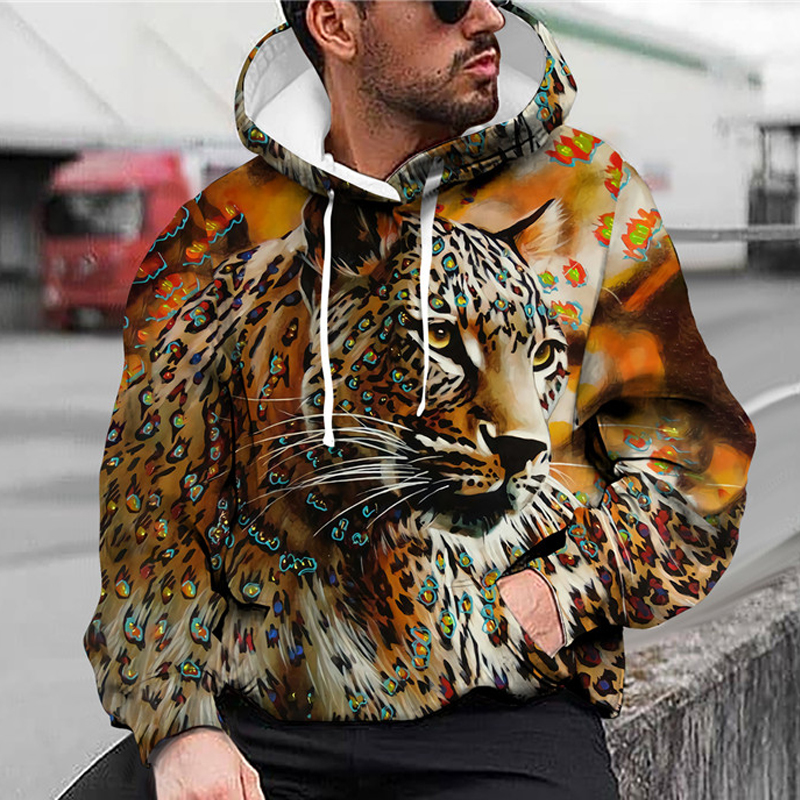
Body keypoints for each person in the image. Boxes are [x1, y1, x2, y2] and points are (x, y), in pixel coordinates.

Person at [82, 1, 756, 798]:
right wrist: (180, 724)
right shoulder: (217, 232)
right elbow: (150, 521)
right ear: (336, 24)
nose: (487, 16)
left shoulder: (589, 194)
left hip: (500, 721)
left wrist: (559, 592)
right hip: (255, 721)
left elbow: (698, 473)